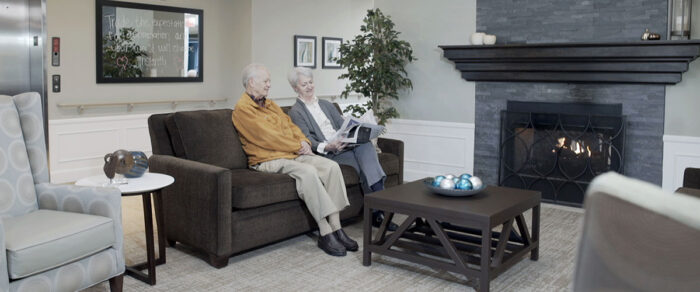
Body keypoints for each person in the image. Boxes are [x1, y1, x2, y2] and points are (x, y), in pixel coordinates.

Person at [232, 63, 358, 257]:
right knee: (308, 172)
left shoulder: (271, 104)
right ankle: (325, 231)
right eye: (265, 81)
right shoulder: (242, 110)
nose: (269, 85)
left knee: (331, 167)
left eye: (269, 81)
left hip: (291, 154)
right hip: (267, 159)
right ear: (251, 82)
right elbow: (268, 138)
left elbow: (291, 126)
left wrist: (303, 140)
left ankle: (337, 227)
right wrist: (297, 146)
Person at [286, 67, 398, 231]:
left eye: (311, 82)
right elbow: (307, 139)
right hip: (328, 152)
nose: (309, 87)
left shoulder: (326, 104)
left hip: (345, 145)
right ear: (296, 88)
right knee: (365, 163)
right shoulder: (296, 112)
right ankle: (381, 211)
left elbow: (341, 125)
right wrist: (328, 146)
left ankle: (378, 211)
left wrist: (354, 133)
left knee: (366, 145)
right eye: (304, 85)